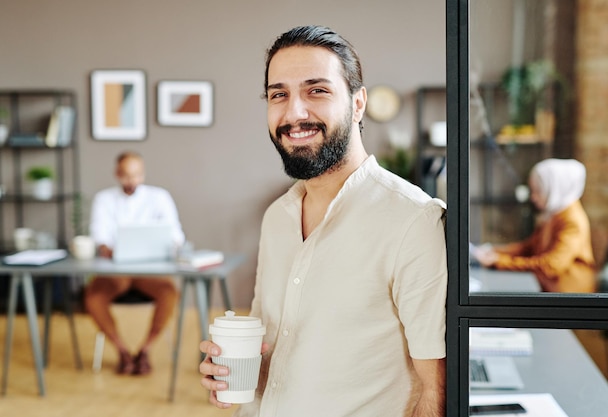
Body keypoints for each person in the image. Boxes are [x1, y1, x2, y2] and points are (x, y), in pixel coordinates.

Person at [198, 25, 448, 417]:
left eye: (317, 90)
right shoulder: (277, 217)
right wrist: (232, 371)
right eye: (278, 94)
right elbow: (277, 363)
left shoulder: (413, 221)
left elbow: (436, 394)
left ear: (358, 103)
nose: (294, 113)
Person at [84, 151, 185, 375]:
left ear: (143, 174)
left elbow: (176, 235)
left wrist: (167, 244)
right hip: (115, 274)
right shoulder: (104, 199)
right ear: (117, 174)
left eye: (137, 175)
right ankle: (122, 352)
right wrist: (110, 249)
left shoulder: (159, 197)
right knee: (93, 297)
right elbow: (100, 237)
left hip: (150, 273)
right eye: (127, 175)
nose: (132, 181)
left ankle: (144, 351)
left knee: (169, 293)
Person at [474, 158, 596, 293]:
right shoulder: (554, 213)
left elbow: (551, 266)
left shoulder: (572, 220)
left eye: (538, 191)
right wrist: (494, 251)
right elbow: (530, 247)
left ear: (554, 189)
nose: (533, 197)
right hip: (548, 287)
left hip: (568, 294)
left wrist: (499, 261)